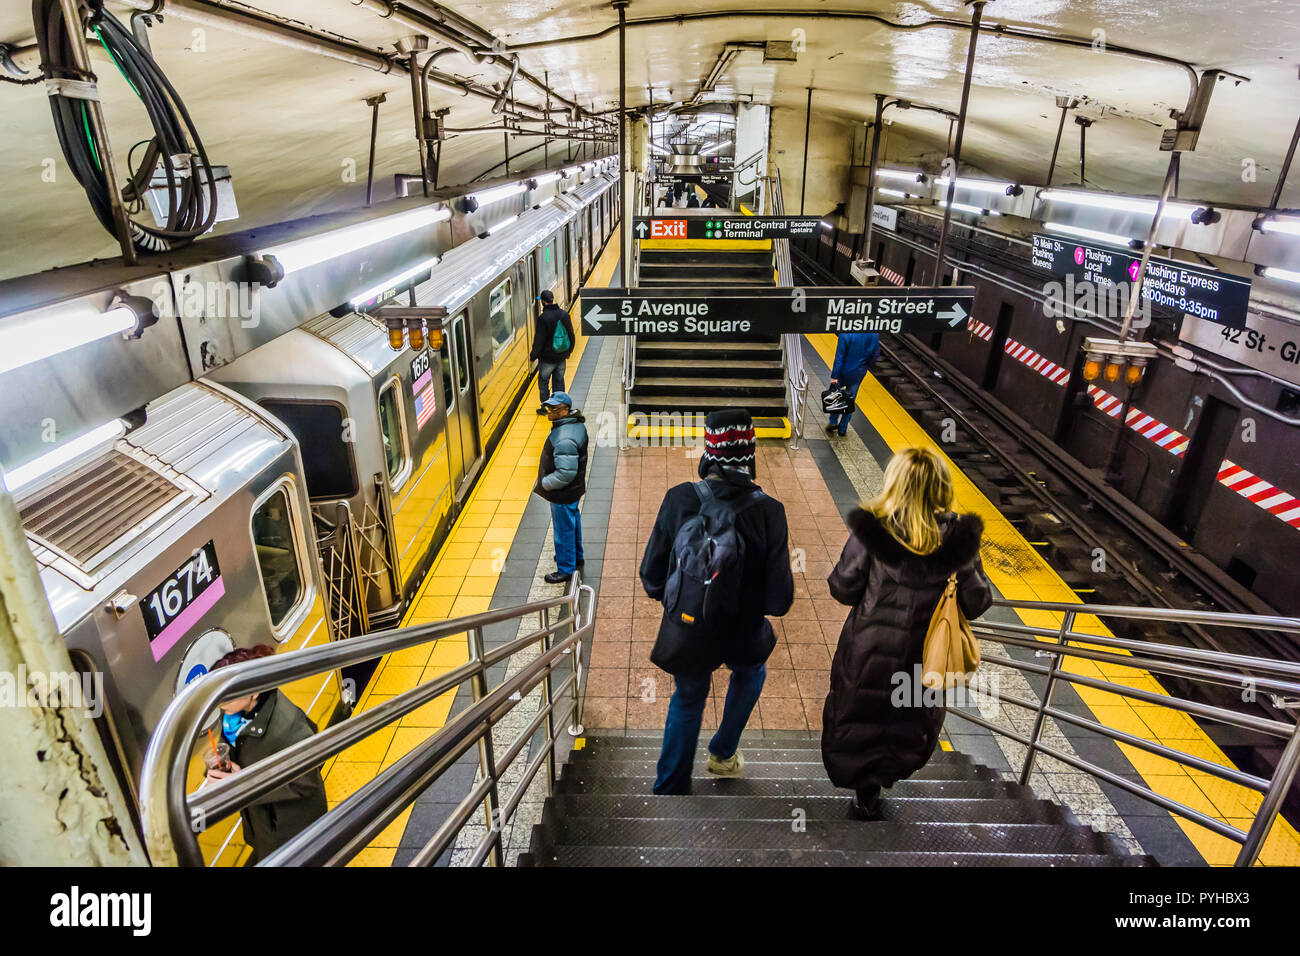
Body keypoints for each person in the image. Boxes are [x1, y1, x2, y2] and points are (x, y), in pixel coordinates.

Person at [820, 447, 992, 820]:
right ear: (940, 488)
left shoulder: (872, 532)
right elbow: (978, 602)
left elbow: (843, 588)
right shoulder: (958, 542)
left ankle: (863, 790)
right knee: (906, 717)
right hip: (923, 652)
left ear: (894, 484)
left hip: (869, 648)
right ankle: (879, 783)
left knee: (860, 712)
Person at [640, 409, 794, 795]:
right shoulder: (771, 512)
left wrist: (687, 599)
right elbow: (779, 599)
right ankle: (723, 754)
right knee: (751, 671)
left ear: (708, 449)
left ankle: (671, 786)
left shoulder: (679, 499)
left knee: (688, 696)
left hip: (690, 628)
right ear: (750, 453)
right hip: (742, 631)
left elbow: (651, 576)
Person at [204, 645, 328, 863]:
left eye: (228, 697)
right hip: (261, 824)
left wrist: (244, 784)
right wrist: (223, 770)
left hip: (289, 830)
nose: (221, 704)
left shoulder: (287, 727)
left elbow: (306, 781)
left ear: (254, 692)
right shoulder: (233, 717)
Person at [535, 391, 588, 584]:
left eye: (554, 409)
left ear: (565, 410)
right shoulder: (574, 425)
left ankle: (566, 568)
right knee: (573, 521)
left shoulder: (564, 437)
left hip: (563, 491)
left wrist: (545, 483)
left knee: (563, 529)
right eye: (548, 407)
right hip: (574, 489)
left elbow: (565, 473)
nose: (549, 411)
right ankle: (576, 555)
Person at [826, 331, 880, 436]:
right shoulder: (874, 334)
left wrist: (834, 375)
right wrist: (865, 366)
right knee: (850, 400)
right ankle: (843, 428)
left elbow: (839, 357)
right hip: (858, 373)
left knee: (835, 395)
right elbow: (875, 354)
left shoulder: (845, 333)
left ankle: (833, 422)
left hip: (842, 372)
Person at [531, 289, 576, 414]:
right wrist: (569, 352)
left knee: (544, 382)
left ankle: (546, 408)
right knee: (559, 382)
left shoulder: (543, 318)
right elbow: (571, 335)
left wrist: (533, 356)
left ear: (543, 302)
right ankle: (559, 407)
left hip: (547, 359)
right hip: (561, 357)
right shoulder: (564, 315)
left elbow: (539, 340)